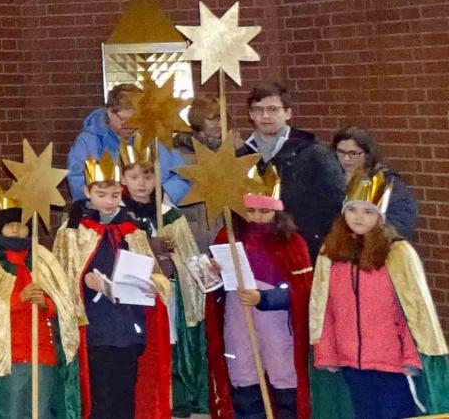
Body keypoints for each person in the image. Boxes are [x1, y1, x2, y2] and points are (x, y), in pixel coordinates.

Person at [310, 171, 449, 419]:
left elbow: (412, 310)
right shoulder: (330, 253)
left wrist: (411, 355)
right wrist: (327, 351)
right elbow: (324, 307)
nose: (359, 217)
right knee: (364, 412)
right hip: (351, 360)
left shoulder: (397, 253)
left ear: (380, 216)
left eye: (368, 211)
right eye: (353, 210)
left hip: (392, 362)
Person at [53, 151, 171, 419]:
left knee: (125, 396)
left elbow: (157, 277)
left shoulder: (132, 230)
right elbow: (61, 278)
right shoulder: (72, 232)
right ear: (87, 192)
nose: (109, 202)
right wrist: (83, 282)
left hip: (130, 327)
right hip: (96, 327)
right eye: (101, 195)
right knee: (101, 398)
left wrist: (153, 286)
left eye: (115, 195)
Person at [203, 173, 313, 419]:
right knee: (242, 371)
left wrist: (264, 298)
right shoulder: (228, 236)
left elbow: (301, 290)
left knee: (282, 372)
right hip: (237, 315)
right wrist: (214, 274)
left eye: (265, 211)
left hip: (276, 322)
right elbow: (215, 292)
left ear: (277, 211)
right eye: (251, 211)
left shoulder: (292, 242)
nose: (257, 217)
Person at [0, 188, 81, 419]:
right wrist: (20, 299)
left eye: (22, 224)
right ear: (0, 228)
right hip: (11, 356)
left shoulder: (43, 258)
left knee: (42, 409)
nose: (17, 229)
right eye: (11, 224)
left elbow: (66, 305)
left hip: (44, 353)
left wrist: (47, 303)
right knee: (14, 411)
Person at [119, 140, 209, 418]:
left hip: (167, 293)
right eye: (134, 177)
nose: (142, 183)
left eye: (148, 176)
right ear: (123, 178)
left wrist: (173, 259)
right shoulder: (117, 213)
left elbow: (188, 254)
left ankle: (175, 400)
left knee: (169, 344)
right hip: (135, 295)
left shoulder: (169, 214)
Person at [236, 82, 345, 256]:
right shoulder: (241, 157)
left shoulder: (313, 154)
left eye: (273, 109)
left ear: (287, 113)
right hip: (257, 251)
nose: (265, 115)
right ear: (250, 114)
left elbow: (335, 205)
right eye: (258, 109)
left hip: (304, 249)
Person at [328, 126, 418, 241]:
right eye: (341, 152)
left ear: (367, 154)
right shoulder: (331, 179)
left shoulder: (386, 182)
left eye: (354, 153)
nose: (346, 158)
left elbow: (402, 222)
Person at [165, 94, 225, 251]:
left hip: (221, 229)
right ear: (198, 120)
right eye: (213, 119)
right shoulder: (176, 152)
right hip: (190, 228)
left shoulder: (231, 150)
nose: (219, 124)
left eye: (222, 118)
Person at [66, 83, 140, 199]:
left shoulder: (151, 138)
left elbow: (175, 172)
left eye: (135, 121)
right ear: (110, 112)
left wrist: (165, 195)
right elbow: (76, 178)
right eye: (124, 120)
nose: (130, 126)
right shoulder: (88, 140)